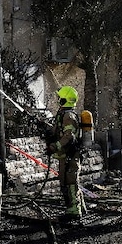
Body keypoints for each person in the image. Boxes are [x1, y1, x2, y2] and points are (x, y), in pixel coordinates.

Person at [47, 86, 84, 220]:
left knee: (70, 182)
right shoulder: (64, 114)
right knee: (66, 181)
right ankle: (76, 208)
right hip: (66, 155)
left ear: (64, 100)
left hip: (70, 155)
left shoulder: (68, 116)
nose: (57, 100)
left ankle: (74, 211)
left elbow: (68, 136)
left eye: (59, 98)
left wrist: (54, 146)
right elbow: (59, 131)